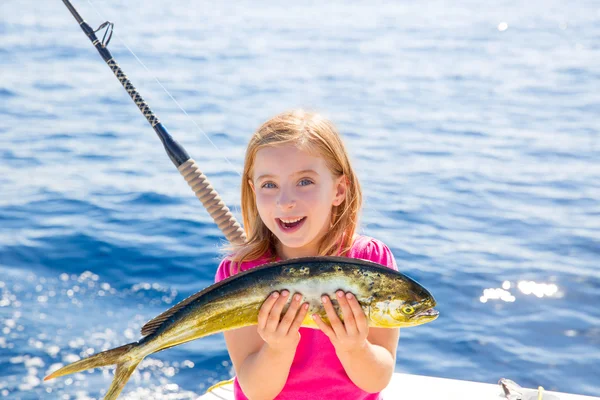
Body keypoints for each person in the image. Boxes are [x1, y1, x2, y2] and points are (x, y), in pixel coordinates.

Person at [215, 109, 400, 400]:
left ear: (339, 189)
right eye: (269, 185)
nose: (285, 201)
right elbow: (256, 391)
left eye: (304, 182)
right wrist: (278, 349)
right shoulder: (238, 271)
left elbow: (377, 379)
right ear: (253, 191)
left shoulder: (371, 261)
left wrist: (354, 348)